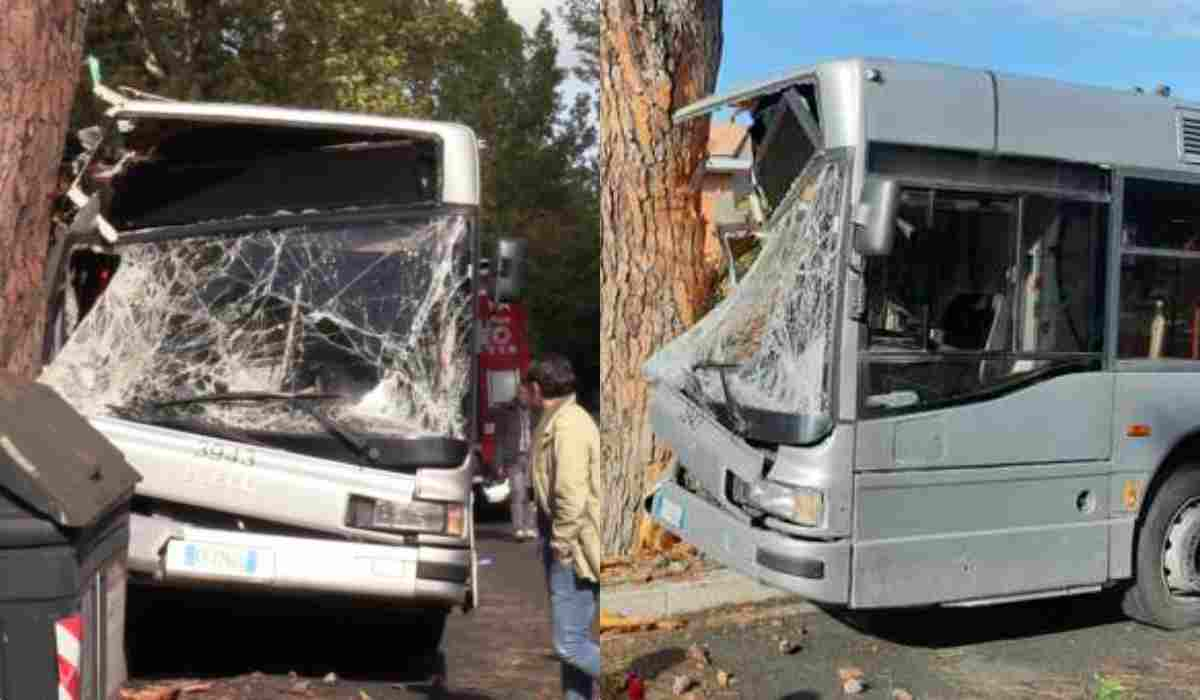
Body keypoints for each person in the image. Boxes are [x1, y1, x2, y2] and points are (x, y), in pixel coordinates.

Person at [526, 353, 601, 700]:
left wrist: (561, 542)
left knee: (569, 645)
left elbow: (570, 491)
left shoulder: (568, 424)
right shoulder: (560, 419)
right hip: (568, 540)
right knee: (574, 642)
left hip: (572, 546)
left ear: (538, 388)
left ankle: (626, 680)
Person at [491, 380, 537, 541]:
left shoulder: (536, 411)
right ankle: (518, 528)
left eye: (525, 393)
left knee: (530, 495)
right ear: (517, 394)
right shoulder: (507, 412)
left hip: (532, 458)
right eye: (520, 393)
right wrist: (498, 463)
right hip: (514, 457)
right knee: (517, 493)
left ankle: (530, 527)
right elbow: (499, 439)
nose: (522, 396)